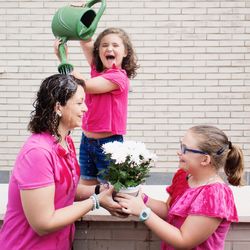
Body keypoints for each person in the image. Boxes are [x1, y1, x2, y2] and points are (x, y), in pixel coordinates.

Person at [0, 74, 122, 250]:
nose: (86, 108)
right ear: (58, 107)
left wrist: (99, 189)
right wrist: (96, 201)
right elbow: (43, 223)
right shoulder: (37, 153)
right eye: (79, 103)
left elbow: (64, 189)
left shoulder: (66, 142)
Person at [115, 125, 244, 250]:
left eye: (184, 149)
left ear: (205, 160)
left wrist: (143, 212)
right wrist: (140, 198)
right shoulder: (183, 176)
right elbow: (168, 210)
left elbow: (184, 241)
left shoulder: (215, 195)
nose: (178, 152)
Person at [54, 27, 139, 185]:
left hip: (109, 145)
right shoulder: (98, 71)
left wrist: (64, 60)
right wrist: (83, 14)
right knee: (87, 187)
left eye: (115, 45)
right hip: (87, 141)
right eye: (104, 45)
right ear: (98, 52)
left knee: (112, 192)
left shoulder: (118, 78)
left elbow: (83, 85)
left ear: (126, 52)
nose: (109, 48)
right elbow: (86, 41)